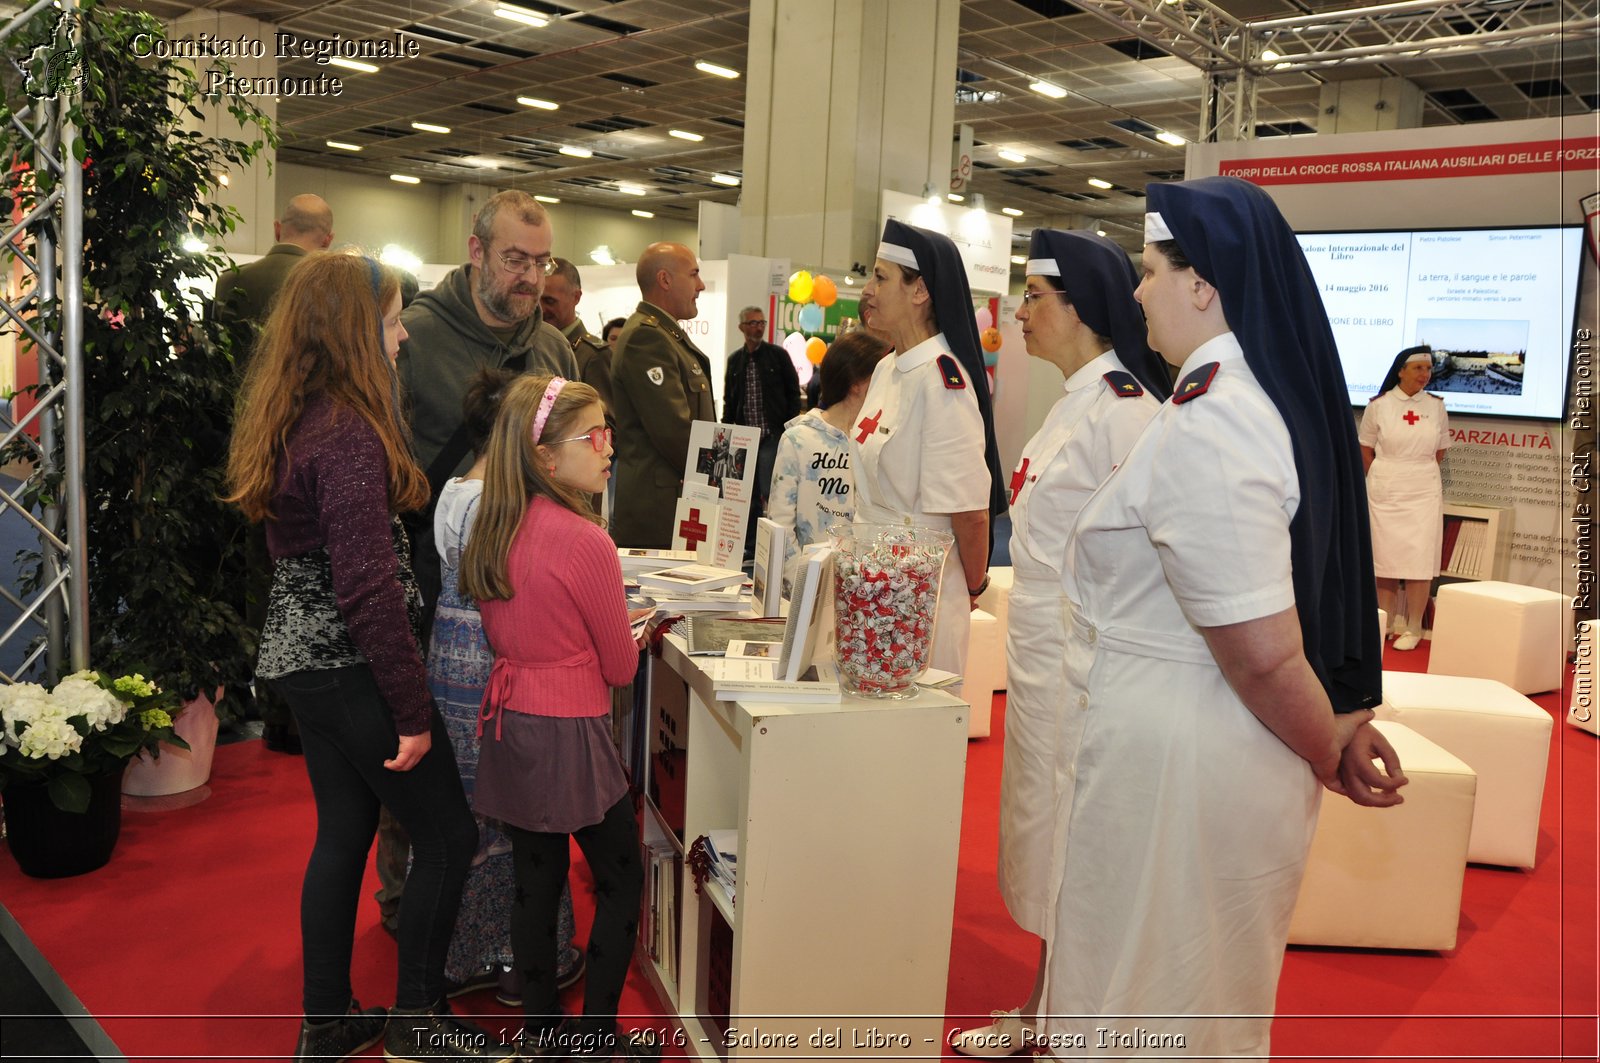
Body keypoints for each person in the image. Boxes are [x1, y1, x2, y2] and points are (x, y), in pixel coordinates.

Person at [1039, 176, 1407, 1059]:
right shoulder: (1237, 402)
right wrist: (1336, 727)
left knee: (1159, 999)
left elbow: (1264, 654)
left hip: (1188, 757)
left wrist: (1328, 746)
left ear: (1203, 286)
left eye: (1151, 270)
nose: (1134, 292)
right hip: (1206, 741)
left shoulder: (1216, 418)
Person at [224, 252, 508, 1062]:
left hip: (305, 663)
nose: (400, 337)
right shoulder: (346, 432)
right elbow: (367, 589)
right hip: (347, 665)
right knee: (448, 834)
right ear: (354, 330)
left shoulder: (307, 414)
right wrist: (413, 712)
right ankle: (419, 1020)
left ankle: (327, 1018)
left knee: (344, 832)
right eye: (389, 321)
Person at [952, 229, 1169, 1057]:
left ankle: (1066, 1019)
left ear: (1079, 305)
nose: (1019, 312)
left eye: (1035, 297)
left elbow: (1142, 553)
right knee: (1044, 838)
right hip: (1042, 659)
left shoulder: (1126, 413)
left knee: (1076, 844)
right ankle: (1044, 1004)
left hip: (1087, 660)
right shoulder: (1076, 400)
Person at [388, 189, 578, 943]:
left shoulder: (554, 348)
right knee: (422, 754)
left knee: (514, 761)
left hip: (526, 597)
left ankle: (500, 919)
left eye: (541, 262)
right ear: (475, 252)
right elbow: (386, 464)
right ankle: (408, 904)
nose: (530, 277)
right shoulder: (420, 339)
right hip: (435, 588)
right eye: (514, 259)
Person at [460, 376, 652, 1059]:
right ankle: (598, 1034)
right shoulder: (585, 540)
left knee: (534, 881)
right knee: (622, 876)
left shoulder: (493, 524)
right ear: (546, 457)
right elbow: (622, 668)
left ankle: (542, 1031)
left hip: (511, 724)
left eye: (609, 434)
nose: (609, 450)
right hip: (570, 728)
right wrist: (629, 634)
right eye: (593, 437)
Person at [426, 370, 585, 1006]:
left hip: (451, 656)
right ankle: (521, 956)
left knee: (465, 800)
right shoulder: (502, 503)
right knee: (516, 805)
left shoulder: (454, 491)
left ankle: (461, 953)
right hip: (497, 661)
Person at [851, 219, 1006, 684]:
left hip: (922, 588)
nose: (868, 290)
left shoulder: (943, 381)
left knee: (913, 734)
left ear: (920, 291)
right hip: (869, 577)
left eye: (880, 277)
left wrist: (973, 584)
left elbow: (971, 513)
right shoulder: (886, 368)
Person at [212, 192, 335, 757]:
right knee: (310, 582)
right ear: (327, 236)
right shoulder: (330, 289)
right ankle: (304, 713)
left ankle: (262, 704)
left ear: (280, 226)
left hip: (247, 451)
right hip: (314, 456)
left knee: (257, 582)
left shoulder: (233, 283)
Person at [765, 329, 890, 591]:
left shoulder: (878, 440)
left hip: (868, 591)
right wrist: (806, 585)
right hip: (810, 592)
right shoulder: (798, 440)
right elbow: (781, 527)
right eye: (881, 374)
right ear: (857, 382)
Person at [609, 242, 714, 547]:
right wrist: (717, 475)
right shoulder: (647, 338)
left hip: (677, 497)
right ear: (665, 280)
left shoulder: (665, 336)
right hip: (661, 507)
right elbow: (674, 430)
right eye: (694, 274)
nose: (701, 285)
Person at [1360, 345, 1450, 651]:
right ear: (1401, 370)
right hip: (1386, 485)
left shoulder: (1436, 405)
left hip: (1422, 489)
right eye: (1418, 369)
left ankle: (1413, 627)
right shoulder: (1379, 405)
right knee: (1384, 558)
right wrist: (1389, 474)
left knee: (1418, 559)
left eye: (1428, 369)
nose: (1425, 375)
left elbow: (1440, 450)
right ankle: (1384, 623)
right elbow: (1365, 449)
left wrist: (1414, 473)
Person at [723, 305, 801, 527]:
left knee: (770, 488)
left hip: (772, 435)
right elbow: (730, 399)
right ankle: (751, 539)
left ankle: (771, 534)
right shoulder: (735, 360)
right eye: (753, 323)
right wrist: (727, 433)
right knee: (747, 491)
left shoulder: (778, 356)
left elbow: (793, 392)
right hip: (745, 438)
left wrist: (788, 428)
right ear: (742, 327)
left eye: (761, 323)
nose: (758, 328)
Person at [541, 258, 615, 421]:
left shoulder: (593, 356)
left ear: (576, 297)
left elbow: (607, 424)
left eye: (549, 301)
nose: (541, 309)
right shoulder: (538, 345)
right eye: (537, 298)